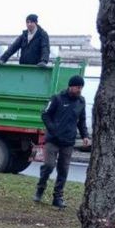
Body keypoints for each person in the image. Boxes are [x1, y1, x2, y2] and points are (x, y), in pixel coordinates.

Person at [34, 75, 90, 209]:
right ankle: (40, 188)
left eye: (81, 87)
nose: (79, 90)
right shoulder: (57, 98)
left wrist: (85, 136)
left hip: (68, 141)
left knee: (63, 170)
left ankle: (58, 197)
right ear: (70, 86)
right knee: (49, 165)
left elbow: (81, 121)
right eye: (77, 87)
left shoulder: (81, 102)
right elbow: (45, 114)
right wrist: (53, 129)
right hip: (53, 140)